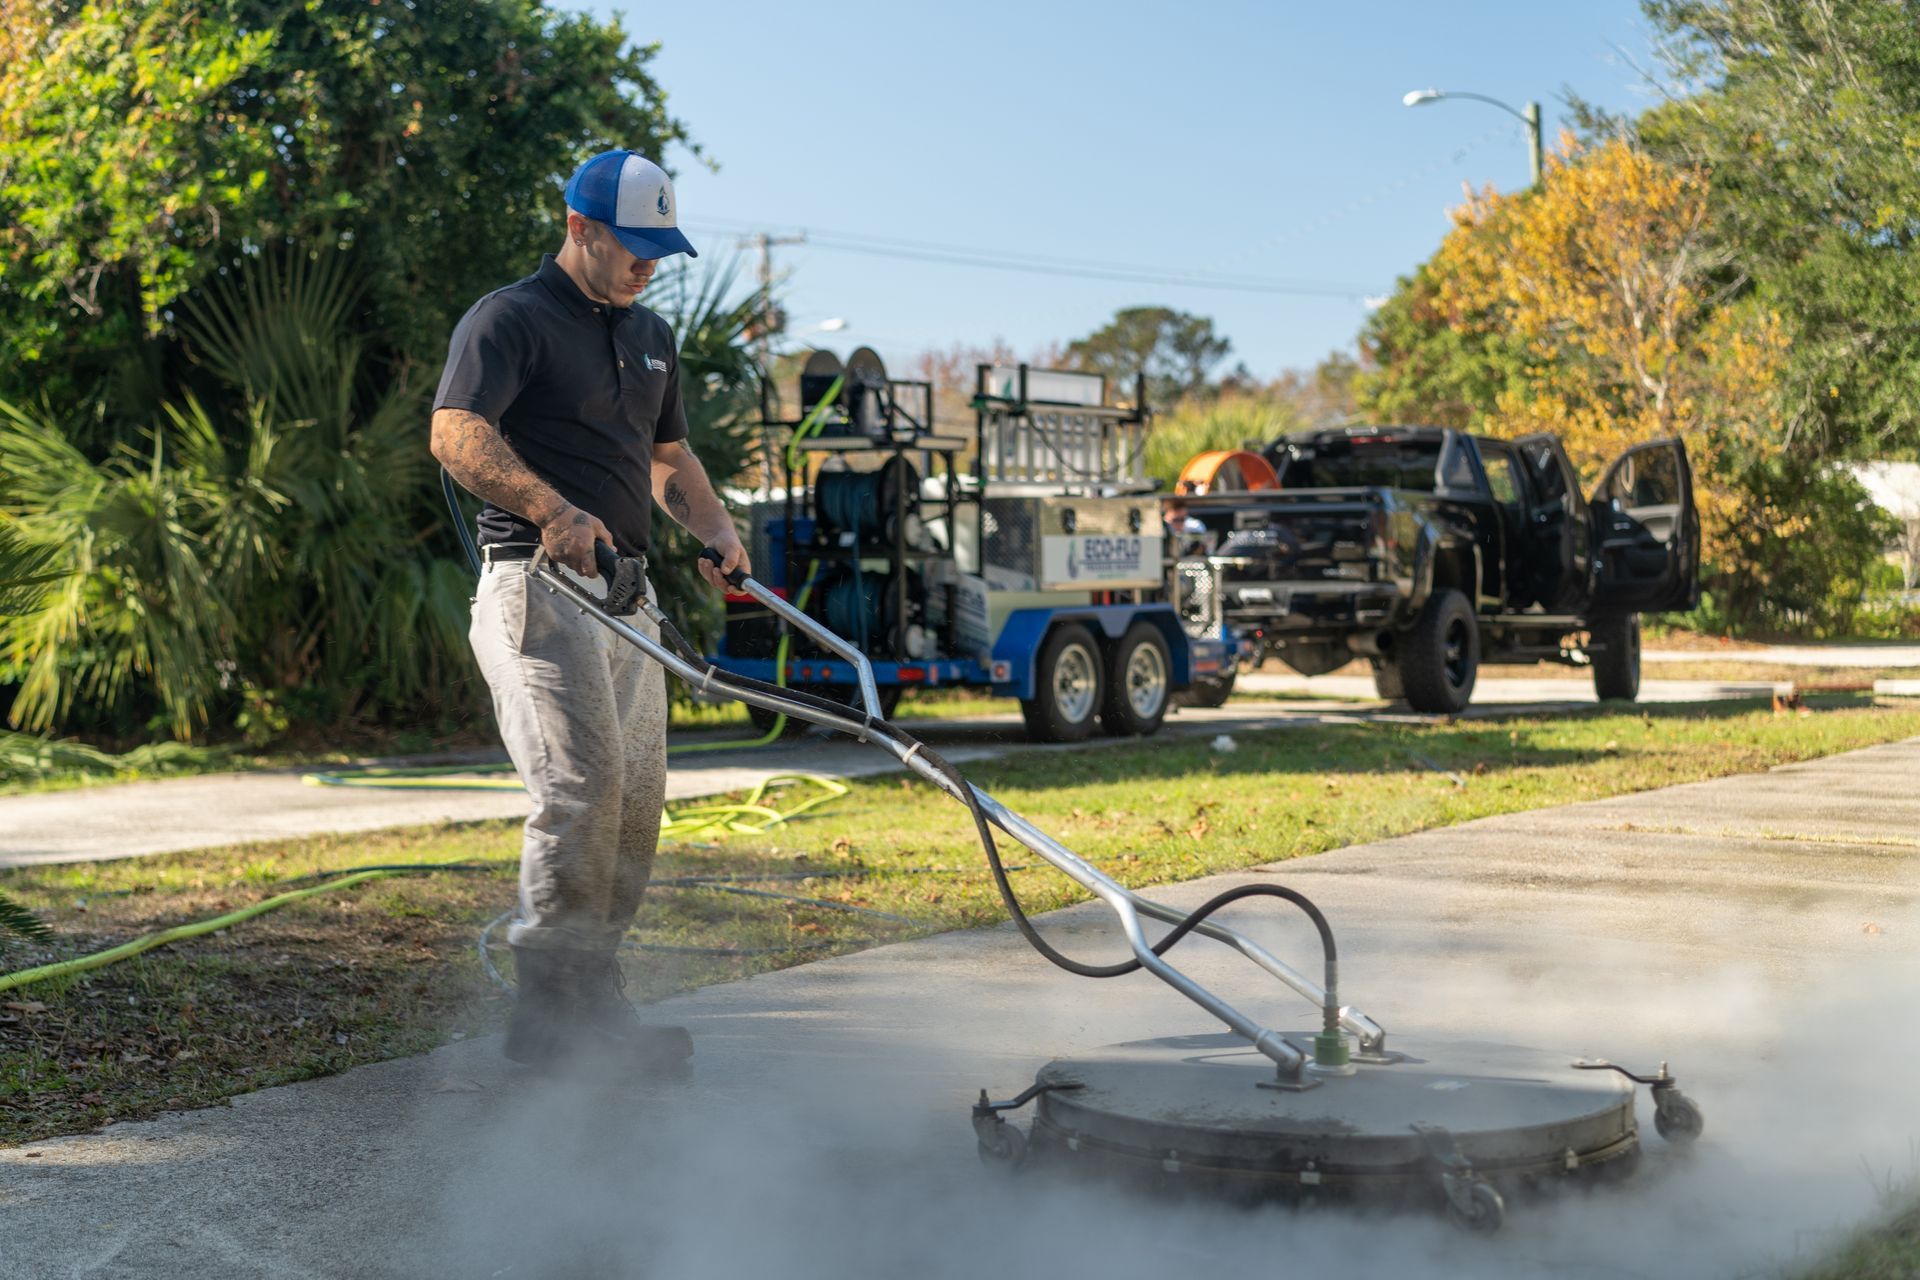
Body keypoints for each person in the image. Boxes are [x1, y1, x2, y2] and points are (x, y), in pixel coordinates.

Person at [429, 149, 750, 1074]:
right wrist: (553, 510)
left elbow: (668, 460)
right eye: (633, 245)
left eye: (661, 247)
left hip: (628, 598)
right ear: (581, 228)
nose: (650, 262)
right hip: (539, 584)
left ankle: (593, 1001)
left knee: (637, 807)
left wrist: (718, 526)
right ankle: (551, 1016)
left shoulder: (650, 332)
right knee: (582, 791)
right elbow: (456, 432)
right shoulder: (512, 319)